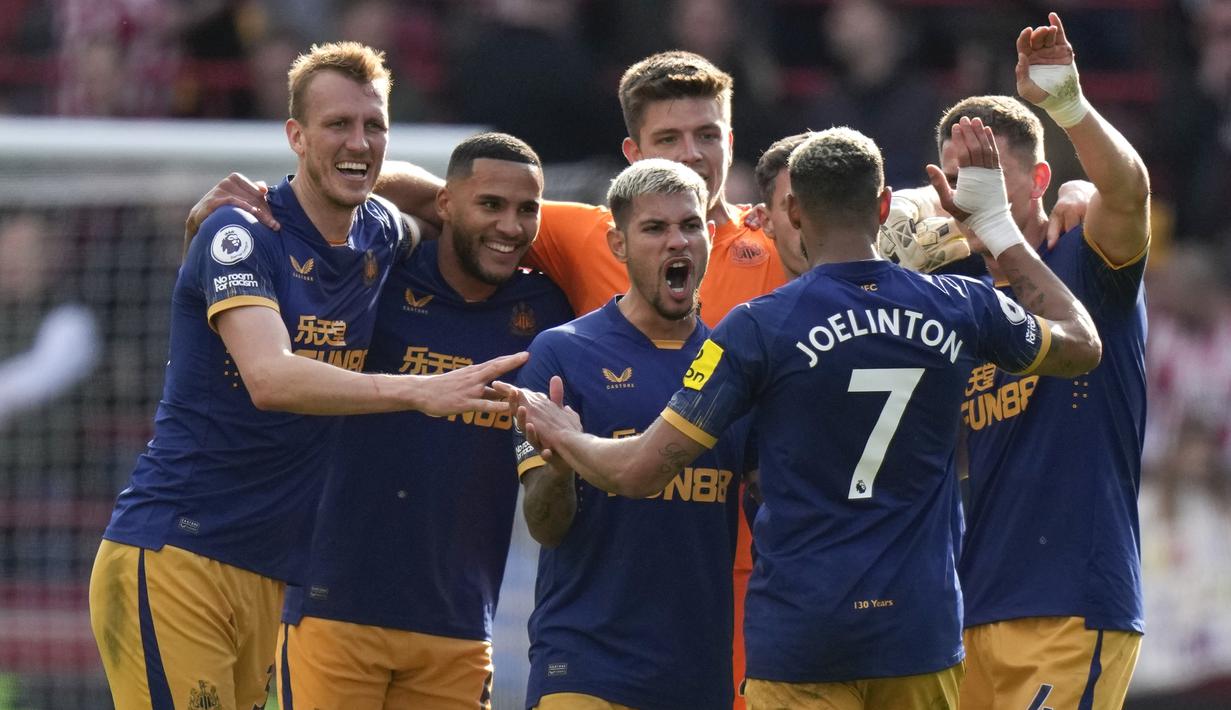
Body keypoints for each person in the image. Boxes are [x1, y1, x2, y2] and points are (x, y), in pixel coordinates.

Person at [515, 125, 1101, 710]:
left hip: (804, 634)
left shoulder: (756, 327)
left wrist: (570, 440)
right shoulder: (958, 304)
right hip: (919, 633)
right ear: (881, 205)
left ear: (793, 211)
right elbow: (1081, 344)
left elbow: (638, 471)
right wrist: (997, 226)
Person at [88, 43, 524, 710]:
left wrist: (366, 170)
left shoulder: (379, 234)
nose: (359, 141)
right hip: (179, 551)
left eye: (372, 126)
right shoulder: (240, 233)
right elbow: (270, 377)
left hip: (272, 572)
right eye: (336, 125)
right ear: (294, 135)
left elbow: (442, 202)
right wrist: (418, 390)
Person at [901, 13, 1151, 709]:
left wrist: (1066, 104)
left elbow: (1128, 191)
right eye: (955, 177)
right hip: (970, 613)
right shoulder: (962, 304)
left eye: (986, 172)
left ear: (1040, 176)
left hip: (1069, 602)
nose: (966, 193)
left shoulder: (1083, 258)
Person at [273, 132, 572, 710]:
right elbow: (333, 192)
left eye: (526, 209)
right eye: (490, 204)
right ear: (444, 204)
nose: (510, 225)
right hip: (333, 605)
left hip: (459, 626)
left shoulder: (550, 311)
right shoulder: (378, 276)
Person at [515, 159, 751, 709]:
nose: (678, 241)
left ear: (711, 237)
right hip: (582, 664)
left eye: (691, 226)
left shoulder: (737, 364)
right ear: (618, 245)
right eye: (655, 228)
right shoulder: (561, 354)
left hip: (698, 674)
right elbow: (544, 527)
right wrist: (556, 465)